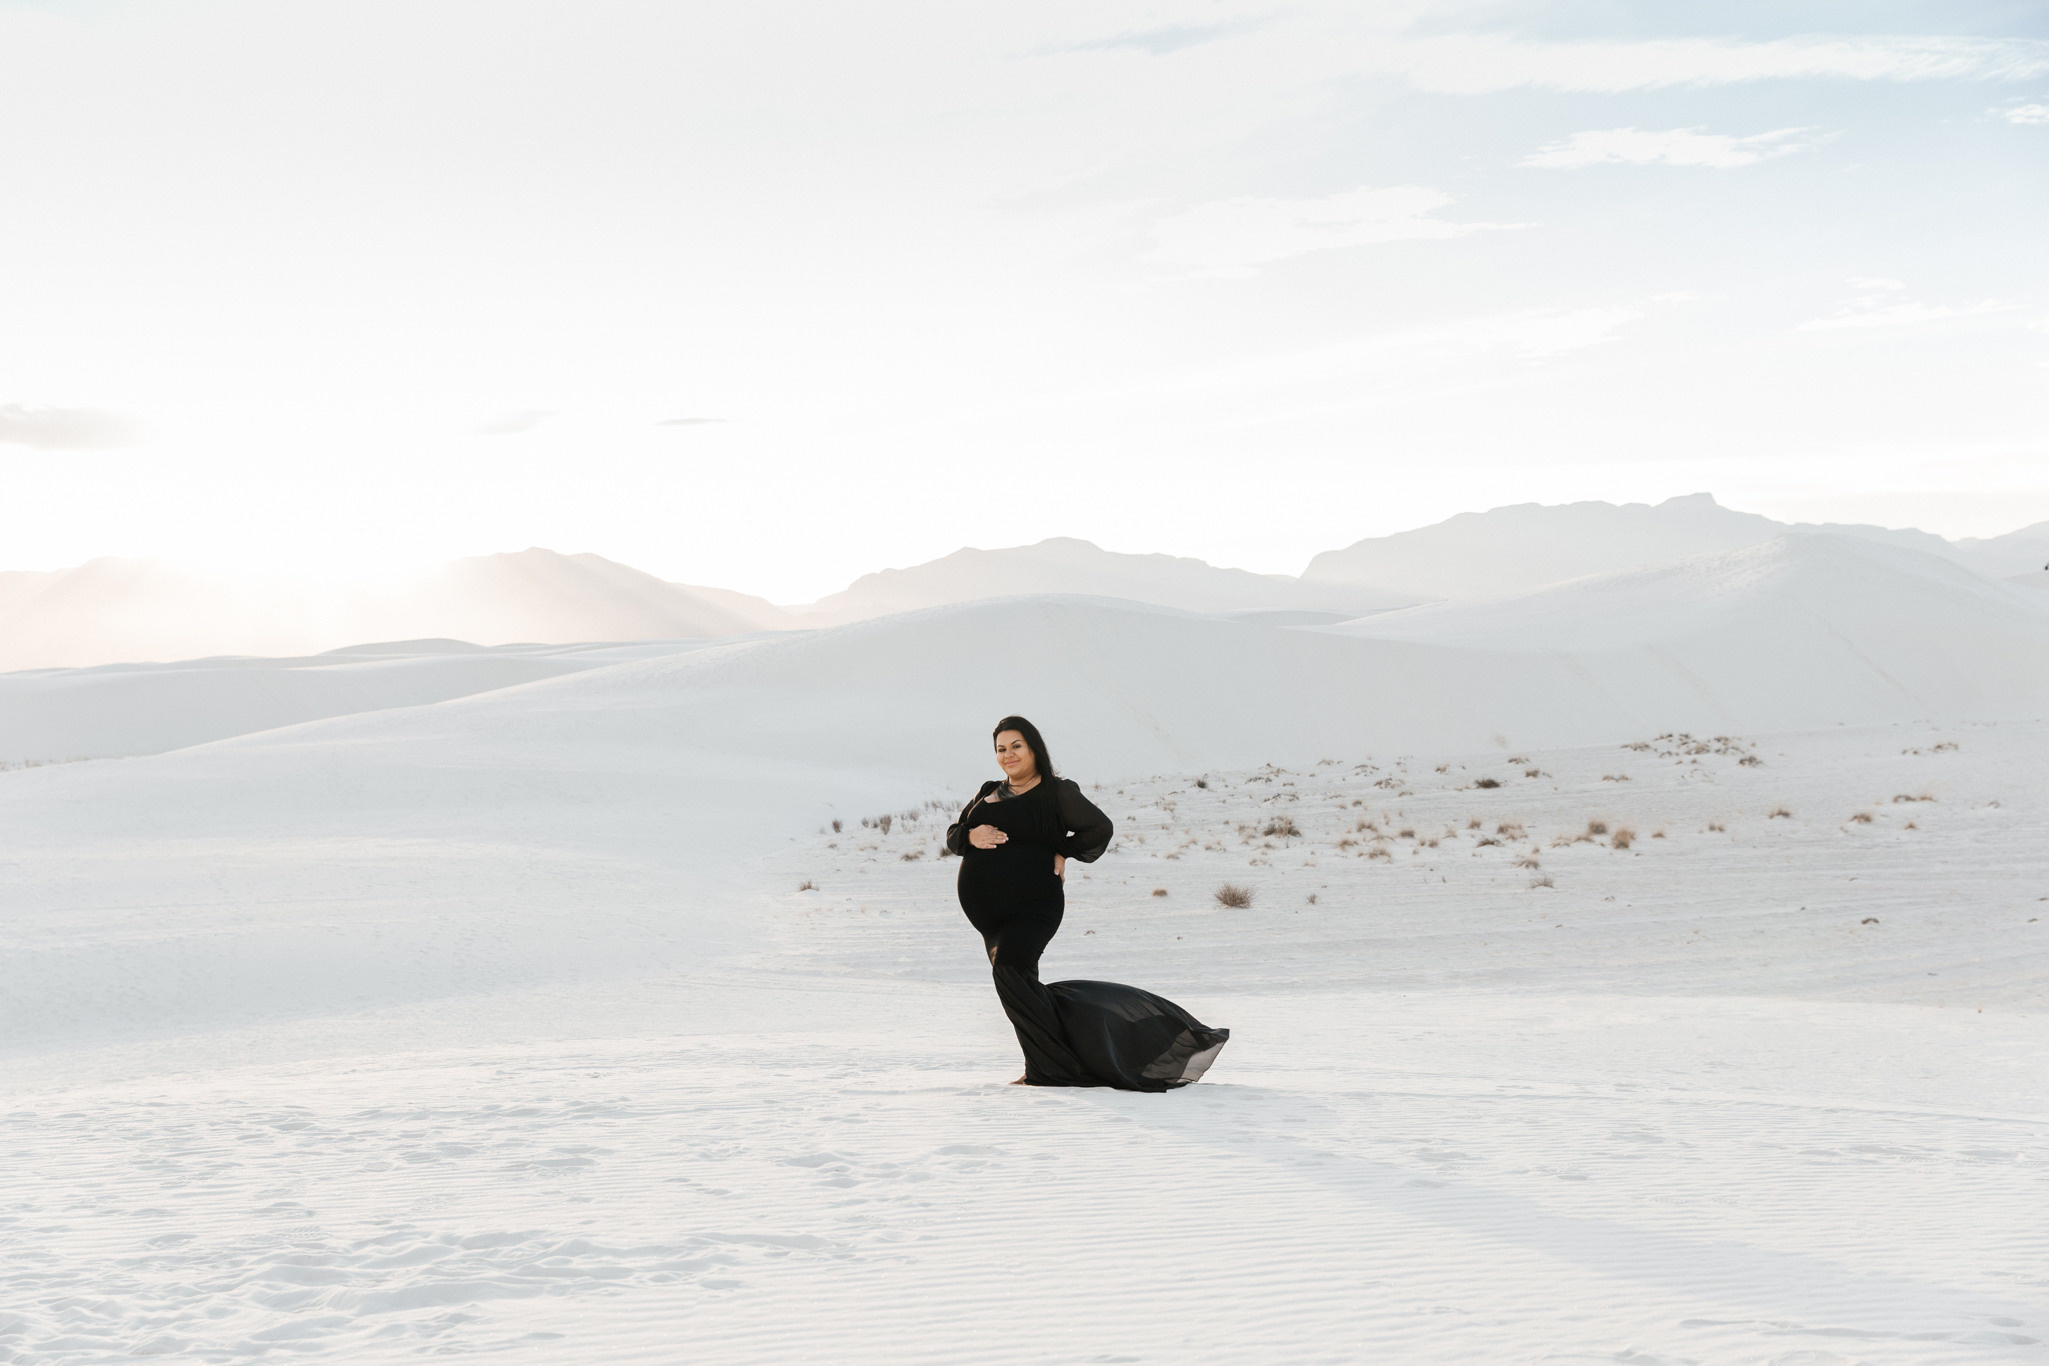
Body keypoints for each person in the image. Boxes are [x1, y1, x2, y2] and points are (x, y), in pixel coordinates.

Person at [945, 715, 1229, 1090]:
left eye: (1016, 746)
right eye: (1001, 749)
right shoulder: (986, 791)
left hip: (1034, 906)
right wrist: (970, 834)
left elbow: (1099, 828)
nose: (1008, 755)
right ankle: (1051, 1064)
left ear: (1034, 749)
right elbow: (952, 836)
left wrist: (1063, 850)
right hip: (991, 919)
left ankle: (1055, 1069)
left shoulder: (1055, 792)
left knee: (1011, 973)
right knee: (1018, 986)